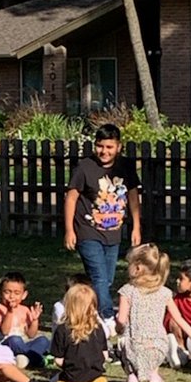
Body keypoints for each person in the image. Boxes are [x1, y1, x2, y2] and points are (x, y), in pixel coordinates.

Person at [63, 123, 141, 334]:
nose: (104, 151)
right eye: (100, 146)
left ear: (118, 147)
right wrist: (70, 230)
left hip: (113, 231)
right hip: (87, 230)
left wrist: (136, 227)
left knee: (107, 279)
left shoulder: (125, 166)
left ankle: (88, 312)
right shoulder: (85, 167)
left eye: (109, 147)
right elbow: (71, 197)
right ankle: (108, 318)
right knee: (98, 275)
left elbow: (133, 196)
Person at [116, 243, 191, 382]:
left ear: (137, 268)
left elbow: (121, 320)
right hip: (158, 344)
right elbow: (179, 318)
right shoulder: (165, 293)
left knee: (126, 346)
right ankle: (154, 376)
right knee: (153, 358)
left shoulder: (127, 291)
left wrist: (119, 329)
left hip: (134, 342)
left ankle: (132, 378)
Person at [49, 282, 109, 382]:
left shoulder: (61, 329)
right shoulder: (98, 328)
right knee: (100, 380)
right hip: (95, 376)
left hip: (71, 377)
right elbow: (105, 355)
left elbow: (58, 360)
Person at [0, 272, 50, 368]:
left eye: (16, 293)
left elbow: (31, 335)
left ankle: (25, 359)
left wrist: (35, 320)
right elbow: (4, 331)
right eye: (7, 292)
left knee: (43, 340)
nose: (11, 296)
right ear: (0, 292)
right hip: (6, 344)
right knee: (15, 340)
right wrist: (10, 312)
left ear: (24, 295)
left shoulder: (25, 310)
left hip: (24, 344)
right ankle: (35, 358)